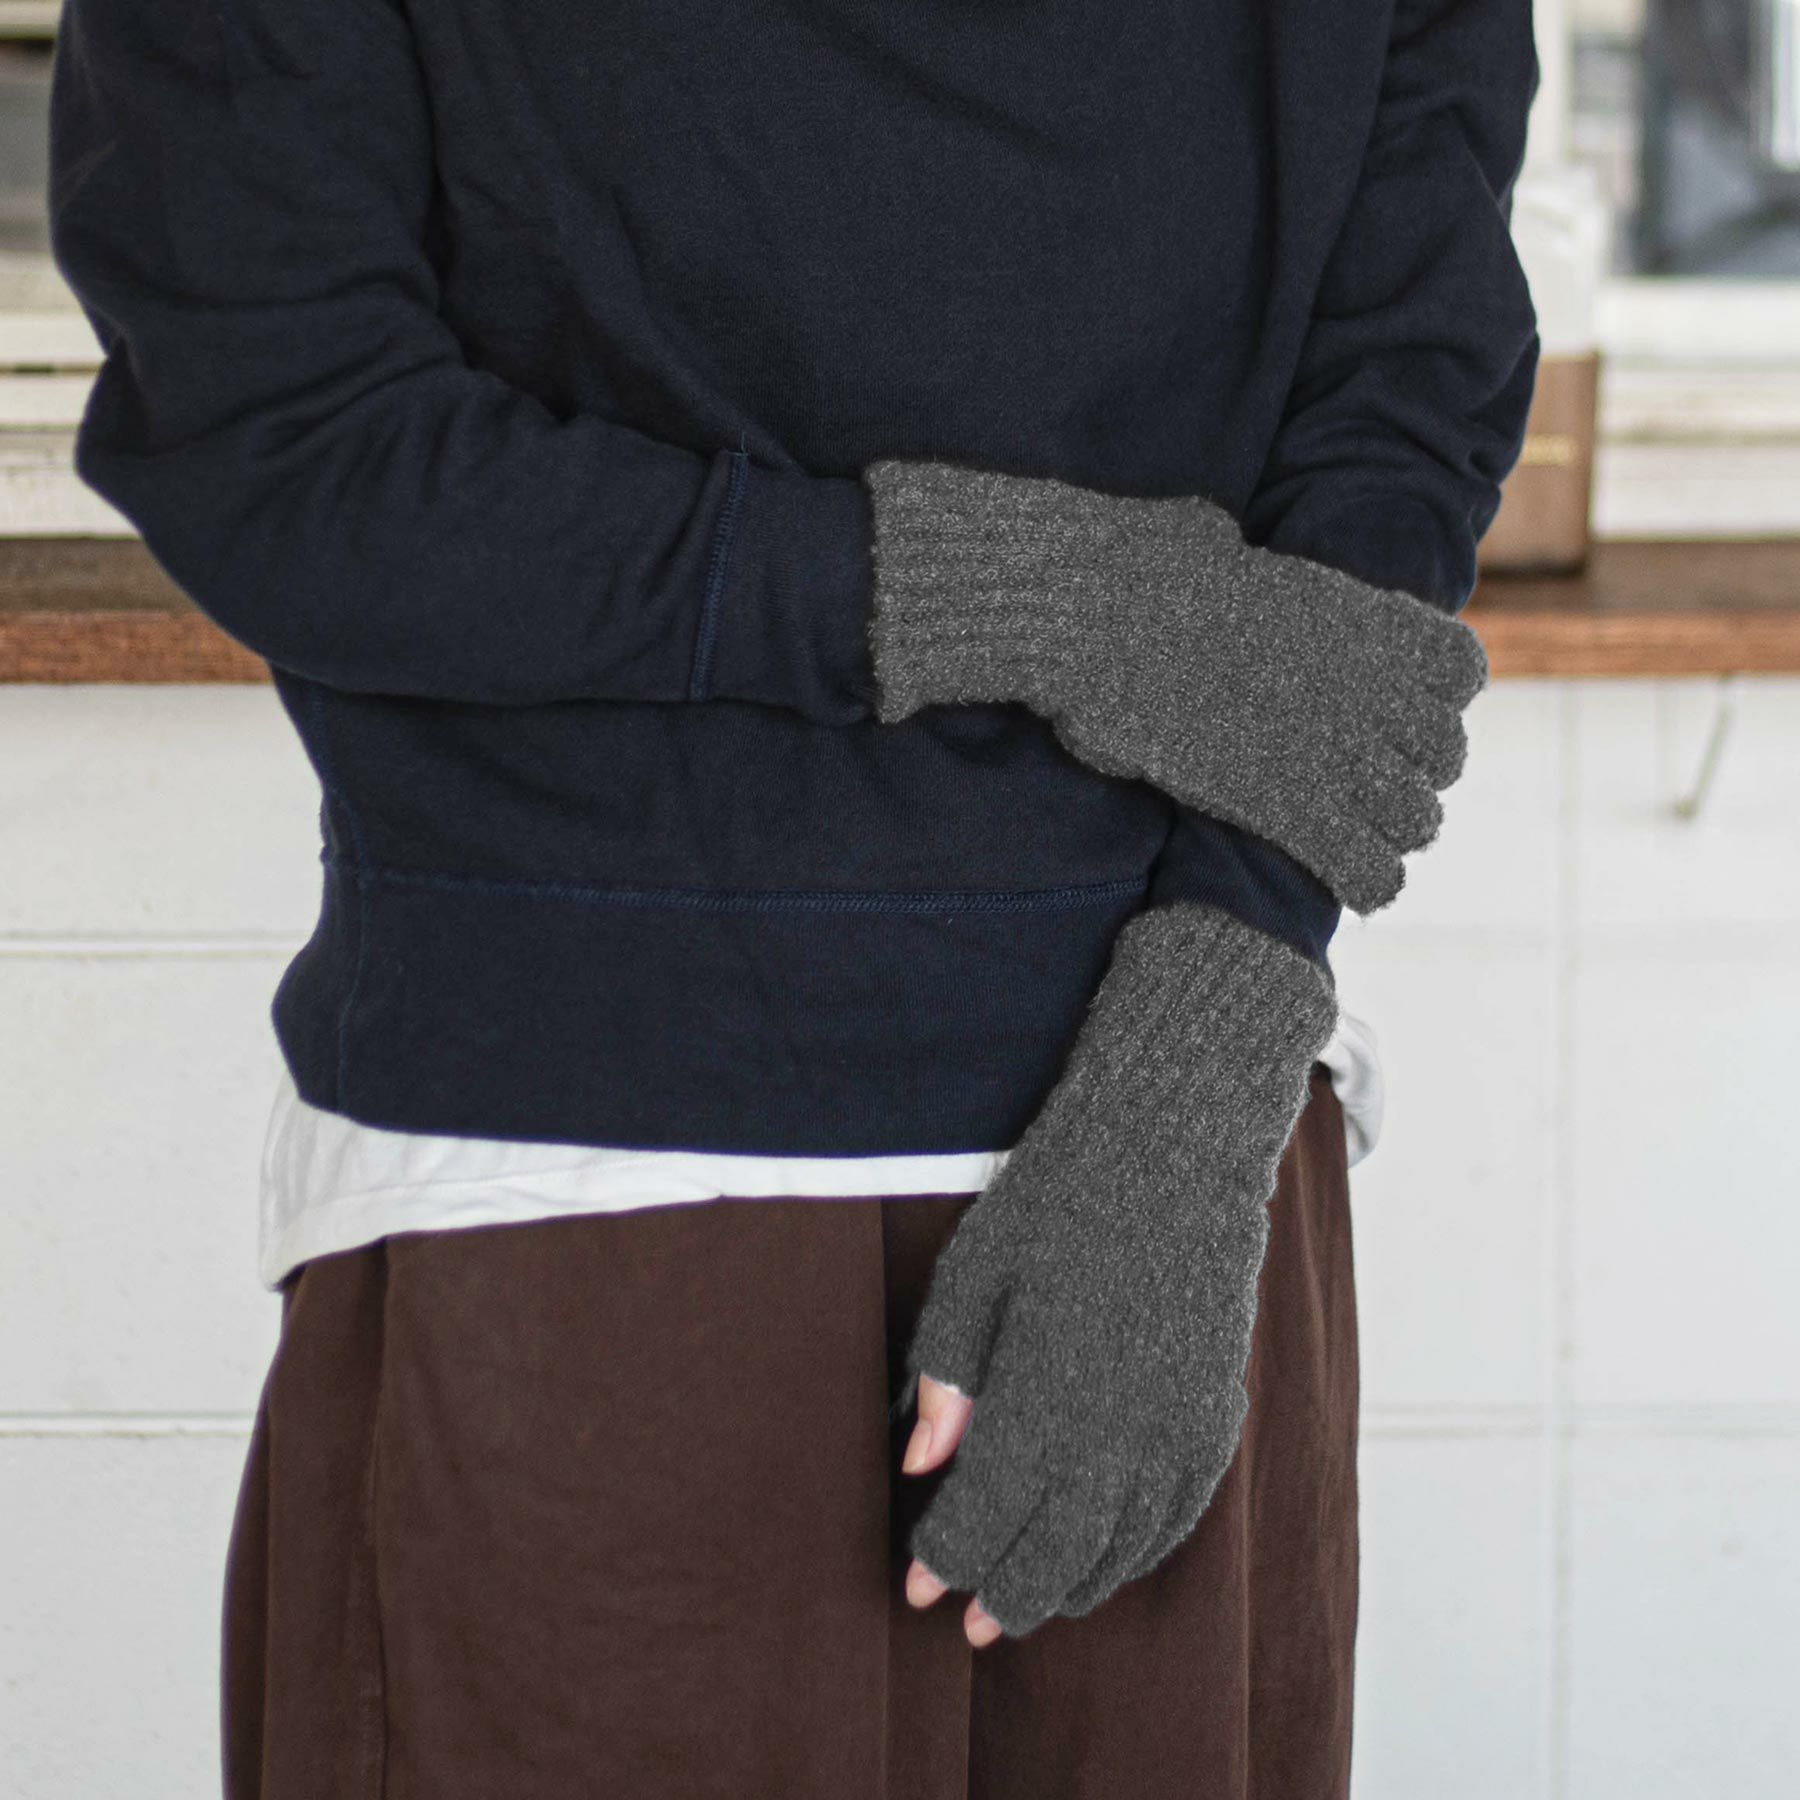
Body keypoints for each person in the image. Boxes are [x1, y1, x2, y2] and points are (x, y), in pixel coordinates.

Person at [47, 0, 1538, 1793]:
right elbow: (288, 441)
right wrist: (1021, 602)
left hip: (1150, 1177)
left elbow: (1403, 382)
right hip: (586, 1190)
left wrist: (1200, 1044)